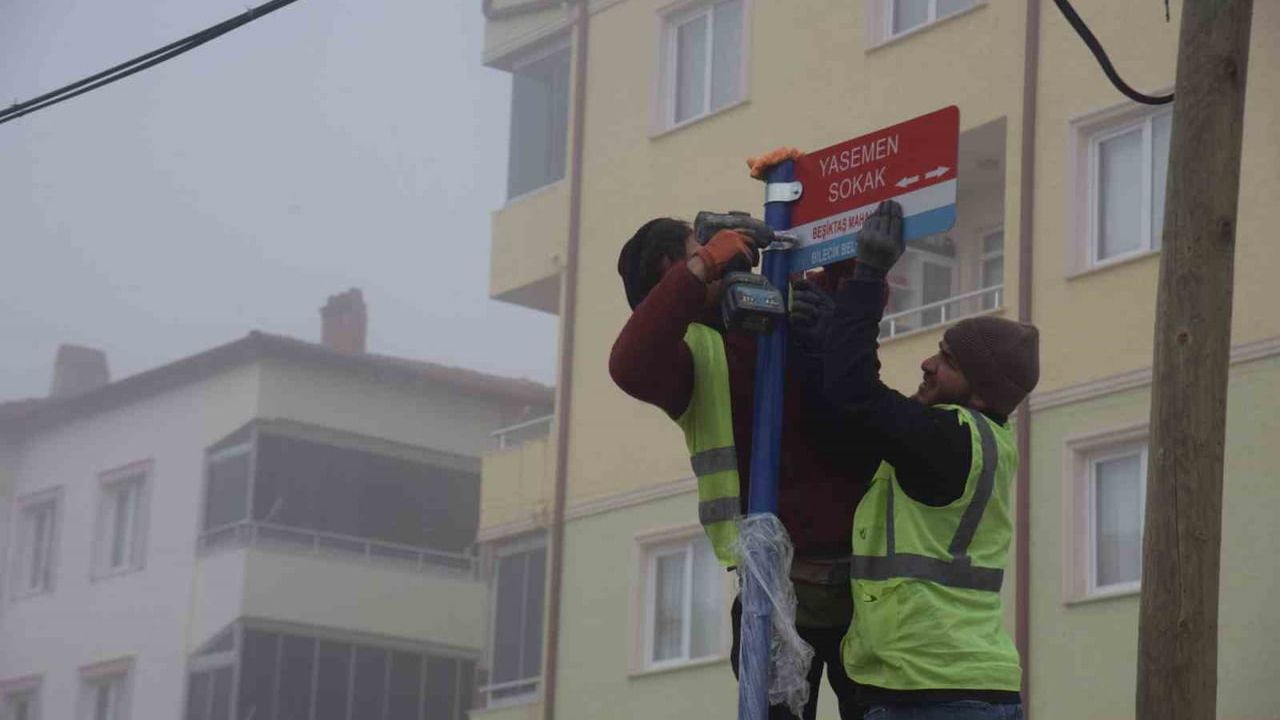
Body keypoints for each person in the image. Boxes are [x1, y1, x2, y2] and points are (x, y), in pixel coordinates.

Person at [609, 217, 879, 720]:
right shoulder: (689, 357)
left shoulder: (774, 306)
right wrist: (705, 264)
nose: (730, 254)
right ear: (676, 267)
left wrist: (839, 249)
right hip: (775, 595)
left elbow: (855, 317)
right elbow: (628, 363)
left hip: (867, 587)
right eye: (703, 246)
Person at [822, 200, 1037, 720]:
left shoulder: (948, 439)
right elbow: (866, 410)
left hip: (929, 691)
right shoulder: (977, 441)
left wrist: (871, 275)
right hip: (960, 686)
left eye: (948, 360)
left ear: (981, 394)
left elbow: (855, 395)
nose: (927, 363)